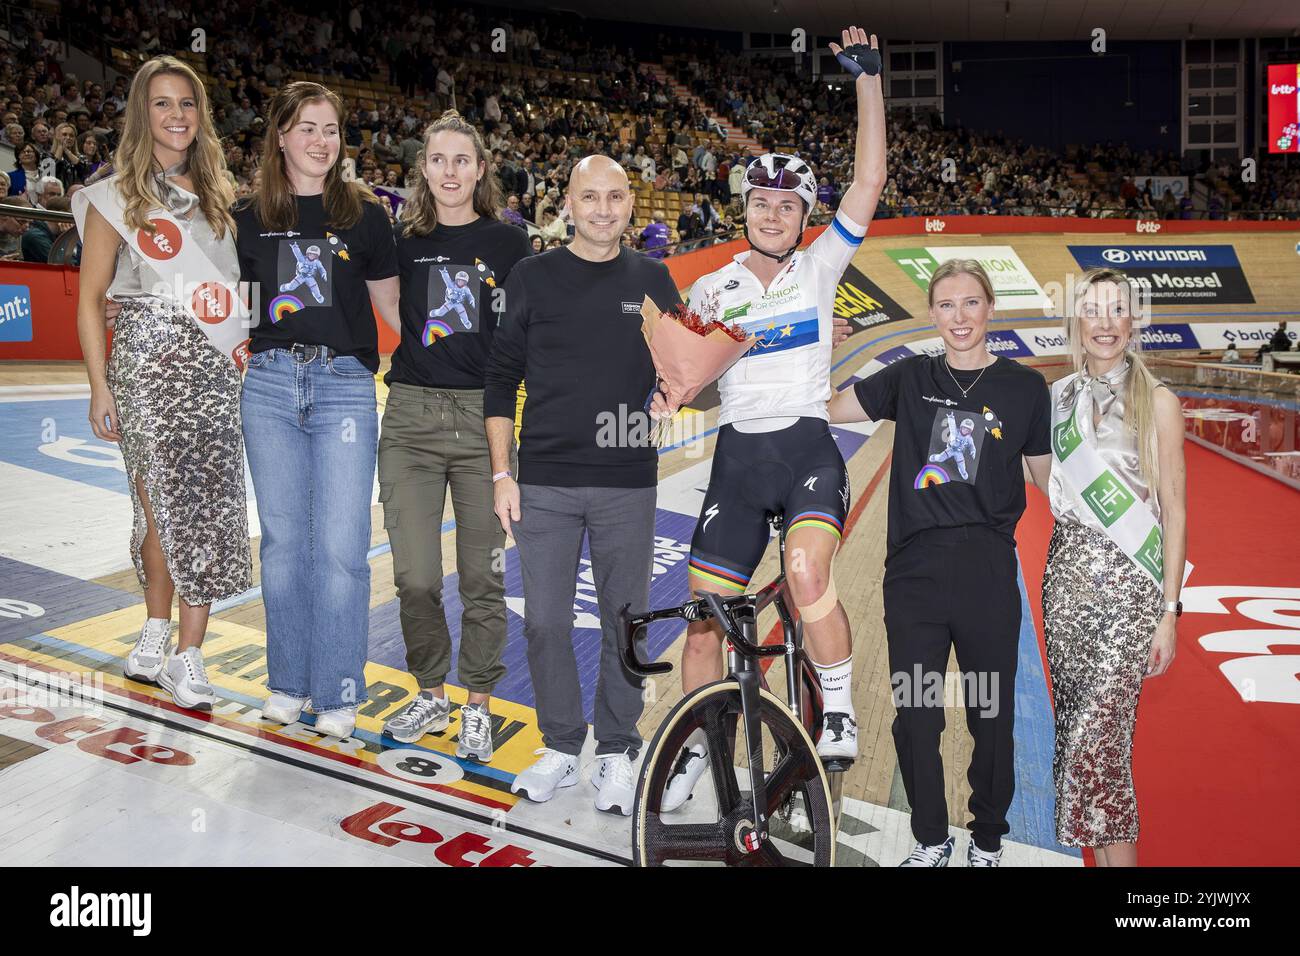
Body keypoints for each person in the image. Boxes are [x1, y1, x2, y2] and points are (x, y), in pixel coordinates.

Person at [650, 26, 884, 814]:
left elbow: (869, 182)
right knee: (705, 620)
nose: (774, 214)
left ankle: (842, 702)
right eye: (761, 202)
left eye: (788, 205)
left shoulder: (821, 266)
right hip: (738, 460)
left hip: (807, 447)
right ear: (744, 207)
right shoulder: (712, 288)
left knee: (809, 572)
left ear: (803, 215)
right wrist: (669, 394)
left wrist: (869, 83)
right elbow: (694, 381)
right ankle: (696, 746)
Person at [828, 258, 1053, 867]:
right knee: (917, 715)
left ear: (990, 309)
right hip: (914, 575)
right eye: (947, 305)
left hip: (985, 572)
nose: (960, 317)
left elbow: (1050, 480)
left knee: (990, 715)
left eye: (971, 303)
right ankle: (930, 839)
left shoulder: (1025, 389)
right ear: (932, 313)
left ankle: (987, 840)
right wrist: (819, 344)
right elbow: (829, 408)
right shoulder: (909, 378)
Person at [483, 155, 681, 815]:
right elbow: (500, 377)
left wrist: (669, 395)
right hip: (544, 480)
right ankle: (563, 746)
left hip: (627, 479)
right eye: (589, 197)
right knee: (543, 622)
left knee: (626, 624)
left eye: (615, 197)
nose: (602, 209)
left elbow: (678, 368)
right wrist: (502, 472)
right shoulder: (531, 277)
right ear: (567, 202)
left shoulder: (655, 279)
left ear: (632, 205)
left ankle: (618, 749)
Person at [74, 55, 251, 711]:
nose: (177, 115)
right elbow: (91, 299)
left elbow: (243, 291)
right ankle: (154, 625)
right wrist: (99, 386)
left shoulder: (225, 198)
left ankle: (190, 654)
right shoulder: (114, 196)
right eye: (162, 104)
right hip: (145, 368)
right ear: (141, 116)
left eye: (187, 103)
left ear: (201, 116)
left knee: (202, 507)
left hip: (211, 370)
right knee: (159, 508)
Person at [236, 81, 400, 741]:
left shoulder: (365, 216)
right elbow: (232, 309)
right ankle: (287, 682)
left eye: (331, 128)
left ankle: (335, 690)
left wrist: (467, 354)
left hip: (344, 388)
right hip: (269, 384)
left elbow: (395, 311)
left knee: (340, 548)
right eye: (307, 127)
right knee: (281, 546)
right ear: (279, 135)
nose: (320, 140)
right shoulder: (246, 216)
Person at [377, 109, 533, 761]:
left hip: (483, 423)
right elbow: (390, 309)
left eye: (461, 160)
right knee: (413, 577)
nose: (449, 171)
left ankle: (475, 703)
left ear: (480, 169)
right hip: (410, 417)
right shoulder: (400, 239)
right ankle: (430, 691)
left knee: (481, 576)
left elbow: (524, 336)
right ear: (423, 169)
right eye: (437, 159)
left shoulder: (510, 244)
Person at [1034, 268, 1185, 866]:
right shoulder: (1056, 398)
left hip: (1130, 592)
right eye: (1092, 309)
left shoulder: (1161, 401)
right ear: (1077, 319)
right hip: (1066, 579)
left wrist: (1169, 613)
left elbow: (1174, 508)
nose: (1103, 322)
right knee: (1077, 735)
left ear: (1132, 320)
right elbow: (1044, 482)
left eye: (1115, 310)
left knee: (1103, 740)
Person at [21, 194, 70, 262]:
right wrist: (67, 239)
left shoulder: (55, 235)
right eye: (72, 216)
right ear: (62, 215)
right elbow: (59, 263)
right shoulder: (35, 236)